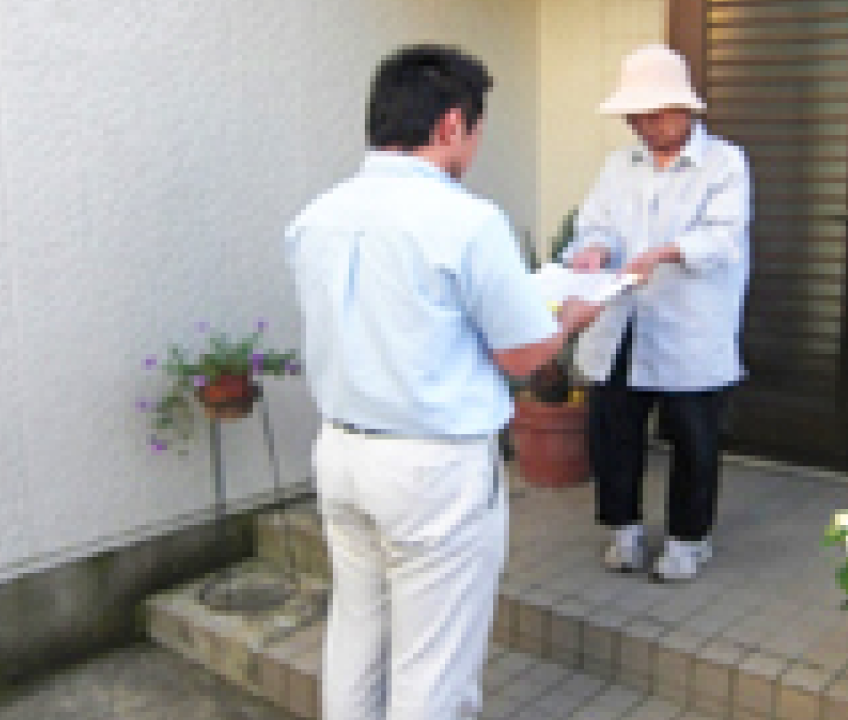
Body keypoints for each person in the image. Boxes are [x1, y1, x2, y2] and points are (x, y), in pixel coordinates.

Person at [285, 45, 602, 720]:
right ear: (453, 124)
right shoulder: (467, 221)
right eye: (477, 131)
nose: (475, 148)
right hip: (433, 469)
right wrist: (572, 317)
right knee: (433, 669)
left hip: (341, 453)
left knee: (357, 634)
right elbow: (523, 355)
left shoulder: (315, 218)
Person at [563, 44, 751, 582]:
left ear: (684, 109)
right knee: (613, 430)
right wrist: (593, 249)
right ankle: (624, 530)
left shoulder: (724, 163)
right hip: (624, 319)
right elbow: (595, 224)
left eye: (654, 116)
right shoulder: (618, 166)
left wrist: (665, 253)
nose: (643, 127)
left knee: (694, 436)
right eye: (635, 118)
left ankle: (689, 540)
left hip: (690, 324)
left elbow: (722, 237)